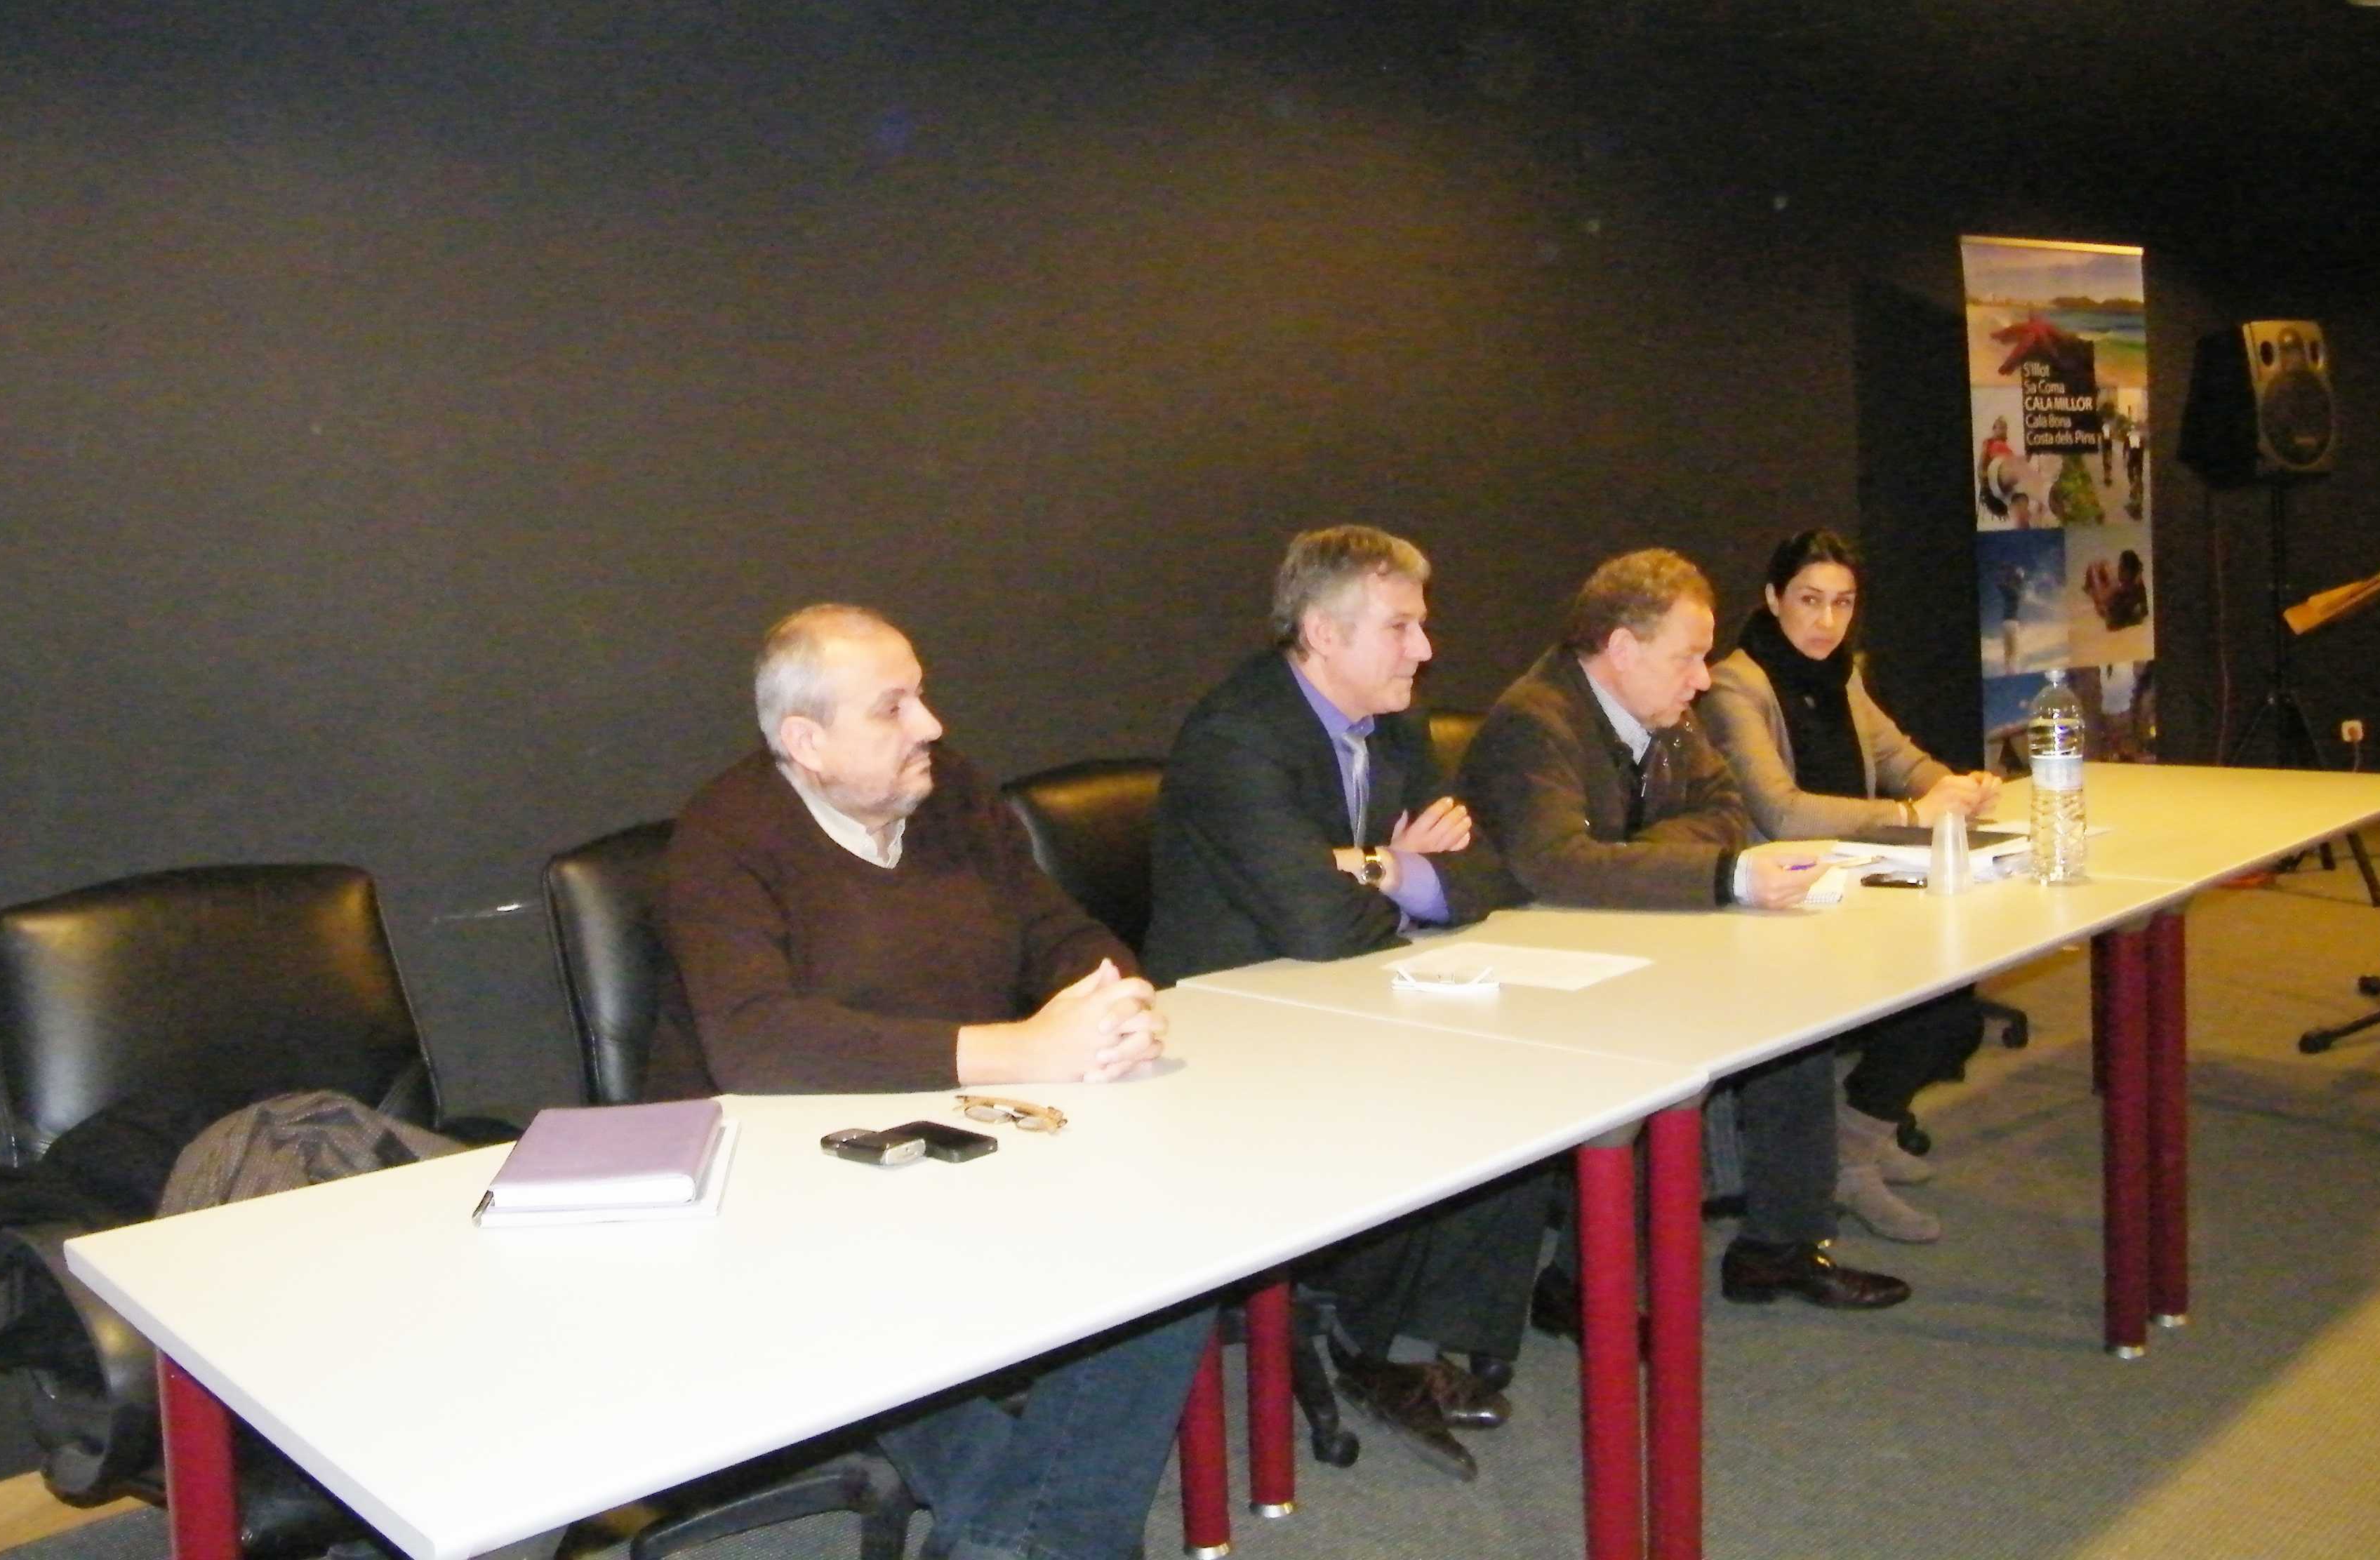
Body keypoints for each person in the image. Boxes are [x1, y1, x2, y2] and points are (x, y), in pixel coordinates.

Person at [649, 604, 1210, 1560]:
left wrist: (1113, 1003)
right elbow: (758, 1046)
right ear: (807, 742)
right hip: (783, 1172)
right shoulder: (726, 836)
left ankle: (1004, 1540)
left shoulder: (953, 796)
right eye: (893, 707)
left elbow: (1060, 931)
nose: (931, 725)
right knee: (889, 1290)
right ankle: (1028, 1541)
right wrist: (1018, 1052)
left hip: (963, 1134)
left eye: (921, 695)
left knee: (1182, 1254)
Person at [1150, 526, 1545, 1481]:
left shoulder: (1394, 721)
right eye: (1401, 627)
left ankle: (1410, 1336)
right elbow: (1315, 924)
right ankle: (1375, 1342)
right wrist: (1404, 870)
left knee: (1528, 1083)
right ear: (1324, 634)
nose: (1425, 649)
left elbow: (1494, 871)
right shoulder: (1236, 738)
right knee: (1429, 1095)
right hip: (1236, 1021)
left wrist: (1376, 866)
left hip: (1344, 994)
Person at [1457, 548, 1910, 1314]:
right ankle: (1582, 1286)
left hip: (1635, 935)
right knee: (1653, 1057)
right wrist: (1720, 875)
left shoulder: (1661, 710)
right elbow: (1555, 865)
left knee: (1795, 1018)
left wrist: (1631, 856)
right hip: (1536, 971)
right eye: (1687, 658)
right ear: (1622, 649)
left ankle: (1780, 1247)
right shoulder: (1535, 723)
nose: (1702, 679)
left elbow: (1727, 809)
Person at [1697, 530, 2002, 1242]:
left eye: (1843, 603)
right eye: (1810, 601)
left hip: (1856, 884)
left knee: (1955, 994)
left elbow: (1900, 758)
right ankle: (1850, 1154)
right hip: (1783, 904)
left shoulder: (1842, 676)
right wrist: (1912, 815)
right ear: (1773, 599)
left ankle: (1863, 1128)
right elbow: (1780, 812)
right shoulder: (1736, 687)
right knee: (1935, 1014)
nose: (1827, 621)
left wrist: (1958, 787)